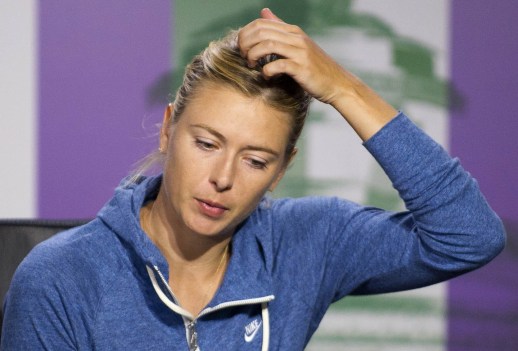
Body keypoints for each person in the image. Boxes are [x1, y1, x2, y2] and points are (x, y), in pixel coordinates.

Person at [1, 8, 505, 351]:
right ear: (167, 128)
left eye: (256, 160)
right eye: (206, 144)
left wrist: (345, 90)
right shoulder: (60, 278)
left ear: (283, 168)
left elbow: (468, 236)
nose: (222, 178)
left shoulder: (307, 241)